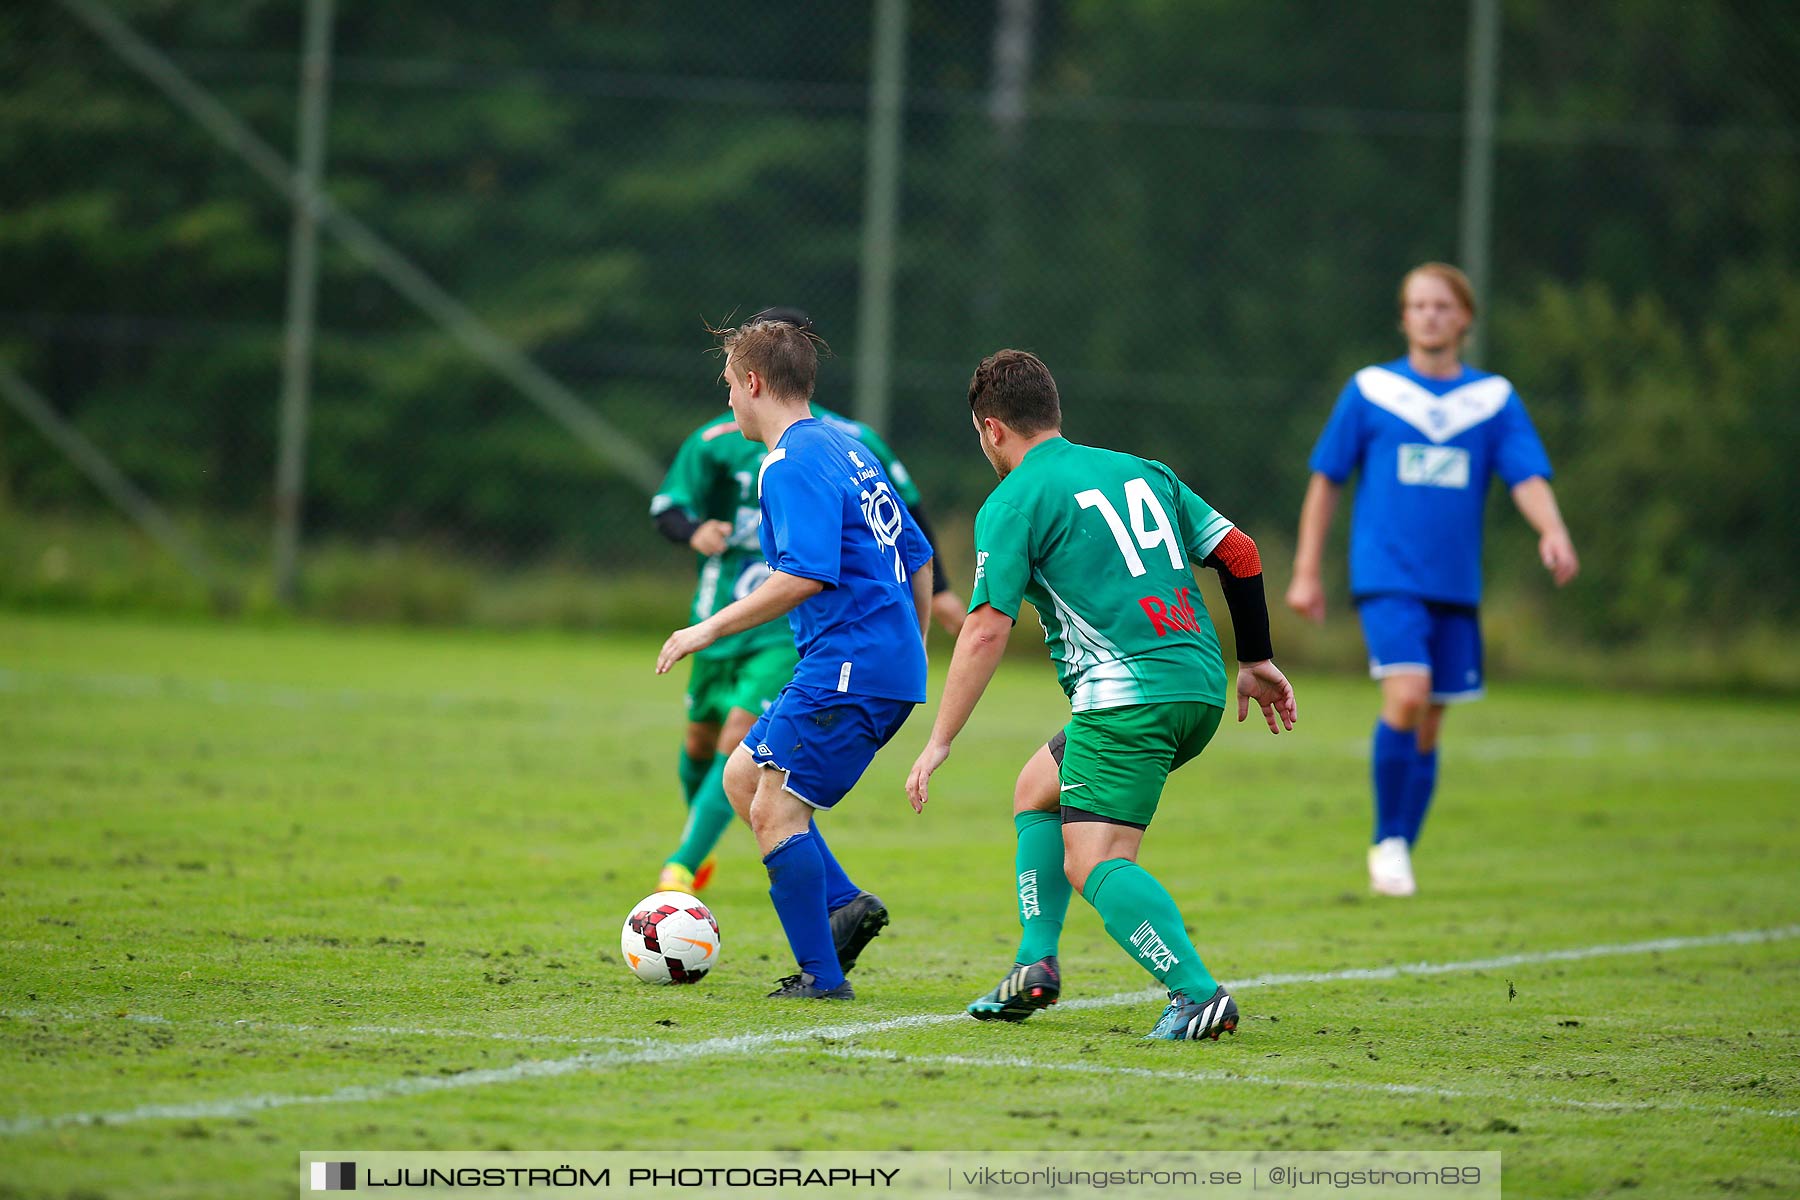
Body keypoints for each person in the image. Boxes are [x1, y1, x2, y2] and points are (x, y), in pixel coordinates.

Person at [905, 350, 1296, 1040]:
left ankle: (1197, 993)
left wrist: (938, 741)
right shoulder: (1142, 470)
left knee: (1096, 859)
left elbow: (984, 631)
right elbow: (1240, 553)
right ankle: (1035, 964)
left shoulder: (1014, 500)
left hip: (1127, 699)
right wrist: (1256, 657)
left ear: (992, 429)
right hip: (1199, 685)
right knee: (1037, 787)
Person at [657, 317, 934, 1000]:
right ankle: (844, 904)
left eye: (728, 385)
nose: (727, 401)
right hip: (868, 660)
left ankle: (822, 977)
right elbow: (918, 554)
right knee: (741, 779)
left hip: (848, 664)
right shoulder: (849, 449)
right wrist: (912, 647)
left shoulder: (789, 463)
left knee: (774, 815)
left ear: (754, 382)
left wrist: (706, 630)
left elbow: (802, 576)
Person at [1285, 262, 1579, 897]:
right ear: (1403, 317)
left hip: (1455, 585)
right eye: (1418, 305)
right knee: (1409, 696)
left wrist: (1551, 529)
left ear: (1465, 317)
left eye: (1442, 306)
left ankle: (1400, 848)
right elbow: (1327, 479)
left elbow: (1526, 475)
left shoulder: (1492, 400)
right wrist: (1308, 570)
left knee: (1431, 721)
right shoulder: (1371, 390)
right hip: (1387, 576)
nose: (1430, 316)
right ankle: (1387, 841)